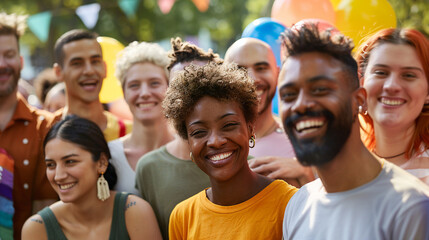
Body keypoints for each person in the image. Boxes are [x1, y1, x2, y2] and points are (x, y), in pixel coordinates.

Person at [279, 24, 429, 239]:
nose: (392, 85)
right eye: (288, 95)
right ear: (363, 89)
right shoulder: (298, 204)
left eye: (320, 89)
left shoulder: (411, 206)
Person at [165, 62, 298, 239]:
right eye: (199, 132)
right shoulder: (183, 217)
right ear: (189, 143)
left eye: (228, 125)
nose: (215, 141)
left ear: (250, 129)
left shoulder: (289, 203)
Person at [21, 116, 162, 240]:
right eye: (51, 165)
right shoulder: (36, 228)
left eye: (70, 162)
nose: (58, 175)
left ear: (101, 163)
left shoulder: (134, 211)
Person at [135, 38, 217, 239]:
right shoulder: (149, 168)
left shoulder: (241, 161)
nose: (192, 97)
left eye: (201, 85)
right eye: (180, 86)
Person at [225, 38, 314, 187]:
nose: (252, 79)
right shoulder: (212, 143)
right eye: (239, 69)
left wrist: (306, 172)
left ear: (278, 73)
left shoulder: (305, 139)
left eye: (261, 68)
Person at [0, 12, 58, 239]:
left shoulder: (46, 127)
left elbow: (47, 209)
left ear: (21, 61)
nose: (2, 64)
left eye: (9, 55)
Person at [356, 28, 429, 184]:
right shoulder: (338, 166)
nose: (391, 86)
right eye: (381, 72)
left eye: (409, 75)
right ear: (362, 84)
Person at [109, 41, 174, 195]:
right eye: (134, 85)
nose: (144, 93)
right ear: (123, 93)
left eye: (154, 83)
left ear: (169, 88)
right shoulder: (108, 156)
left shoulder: (189, 149)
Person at [53, 29, 131, 142]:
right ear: (58, 72)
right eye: (77, 63)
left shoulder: (130, 133)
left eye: (95, 61)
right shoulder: (45, 130)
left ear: (105, 68)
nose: (89, 71)